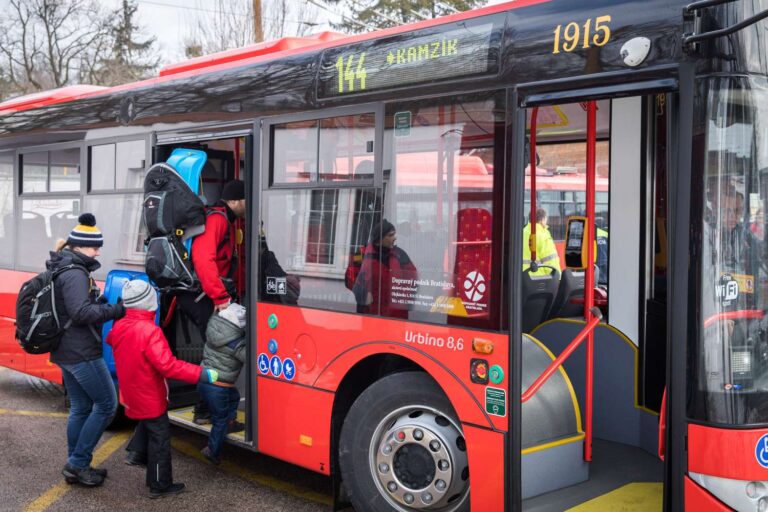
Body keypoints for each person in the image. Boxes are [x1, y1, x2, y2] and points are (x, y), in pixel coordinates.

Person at [107, 279, 219, 498]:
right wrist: (202, 374)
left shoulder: (120, 326)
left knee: (149, 427)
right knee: (160, 440)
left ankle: (136, 454)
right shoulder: (150, 331)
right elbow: (168, 366)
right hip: (150, 395)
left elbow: (112, 340)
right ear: (149, 303)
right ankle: (160, 485)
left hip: (132, 391)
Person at [48, 213, 126, 487]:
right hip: (80, 351)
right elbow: (81, 313)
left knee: (81, 407)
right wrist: (115, 310)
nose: (98, 251)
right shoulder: (76, 273)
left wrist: (99, 301)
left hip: (65, 349)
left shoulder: (64, 266)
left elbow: (76, 306)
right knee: (106, 405)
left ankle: (76, 463)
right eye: (95, 247)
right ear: (80, 246)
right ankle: (79, 463)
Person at [178, 179, 246, 424]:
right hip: (205, 297)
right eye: (247, 201)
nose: (249, 206)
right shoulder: (217, 220)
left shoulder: (227, 220)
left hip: (208, 295)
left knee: (217, 356)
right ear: (236, 201)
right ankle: (205, 411)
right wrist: (221, 298)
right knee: (218, 357)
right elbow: (203, 260)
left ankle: (210, 411)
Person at [198, 303, 247, 464]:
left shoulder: (213, 326)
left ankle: (228, 422)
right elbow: (250, 358)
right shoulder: (236, 343)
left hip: (204, 379)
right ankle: (212, 450)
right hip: (219, 386)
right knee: (219, 419)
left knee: (234, 397)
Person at [353, 219, 418, 318]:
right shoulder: (361, 254)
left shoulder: (400, 254)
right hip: (370, 314)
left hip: (396, 316)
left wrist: (402, 301)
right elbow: (350, 277)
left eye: (394, 234)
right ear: (380, 238)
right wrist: (363, 294)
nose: (395, 238)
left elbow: (412, 278)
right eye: (390, 235)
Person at [522, 208, 561, 276]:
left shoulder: (522, 232)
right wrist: (558, 278)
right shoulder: (544, 236)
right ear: (542, 220)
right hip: (539, 280)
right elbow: (551, 262)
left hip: (522, 279)